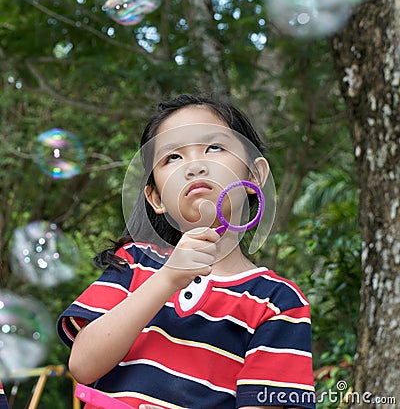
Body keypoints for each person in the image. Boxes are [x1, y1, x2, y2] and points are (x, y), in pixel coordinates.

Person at [57, 94, 315, 409]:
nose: (194, 166)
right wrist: (167, 279)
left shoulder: (278, 301)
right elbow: (82, 366)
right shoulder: (134, 263)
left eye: (214, 147)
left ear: (253, 175)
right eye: (172, 158)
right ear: (156, 199)